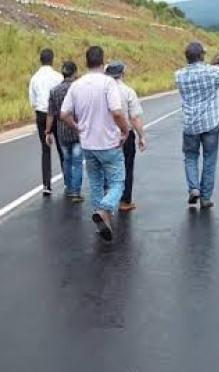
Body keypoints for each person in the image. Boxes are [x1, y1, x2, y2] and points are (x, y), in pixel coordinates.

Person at [60, 45, 130, 241]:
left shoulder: (76, 85)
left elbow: (64, 114)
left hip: (88, 144)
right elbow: (117, 112)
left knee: (96, 182)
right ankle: (105, 209)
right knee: (117, 182)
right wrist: (125, 130)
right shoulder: (108, 83)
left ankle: (102, 220)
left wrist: (76, 127)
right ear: (103, 61)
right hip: (109, 142)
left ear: (86, 62)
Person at [175, 41, 219, 210]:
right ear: (201, 56)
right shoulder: (211, 72)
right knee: (209, 159)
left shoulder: (179, 75)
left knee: (190, 157)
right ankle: (205, 198)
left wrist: (211, 62)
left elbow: (200, 72)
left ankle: (194, 188)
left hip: (190, 125)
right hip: (210, 123)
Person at [104, 61, 147, 212]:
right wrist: (141, 136)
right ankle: (125, 200)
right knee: (127, 167)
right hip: (125, 134)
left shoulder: (101, 91)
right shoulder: (128, 91)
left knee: (106, 167)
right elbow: (134, 117)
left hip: (105, 134)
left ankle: (106, 199)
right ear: (122, 74)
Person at [45, 61, 83, 202]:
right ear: (75, 73)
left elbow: (50, 114)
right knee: (77, 162)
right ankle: (76, 192)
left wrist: (48, 131)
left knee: (67, 160)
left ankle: (68, 187)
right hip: (77, 130)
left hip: (62, 132)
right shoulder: (78, 88)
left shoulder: (54, 91)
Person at [28, 48, 64, 195]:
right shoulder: (58, 77)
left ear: (40, 60)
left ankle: (46, 185)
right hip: (57, 114)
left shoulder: (34, 78)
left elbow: (32, 101)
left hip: (41, 115)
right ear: (52, 60)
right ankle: (68, 181)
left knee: (45, 149)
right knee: (61, 147)